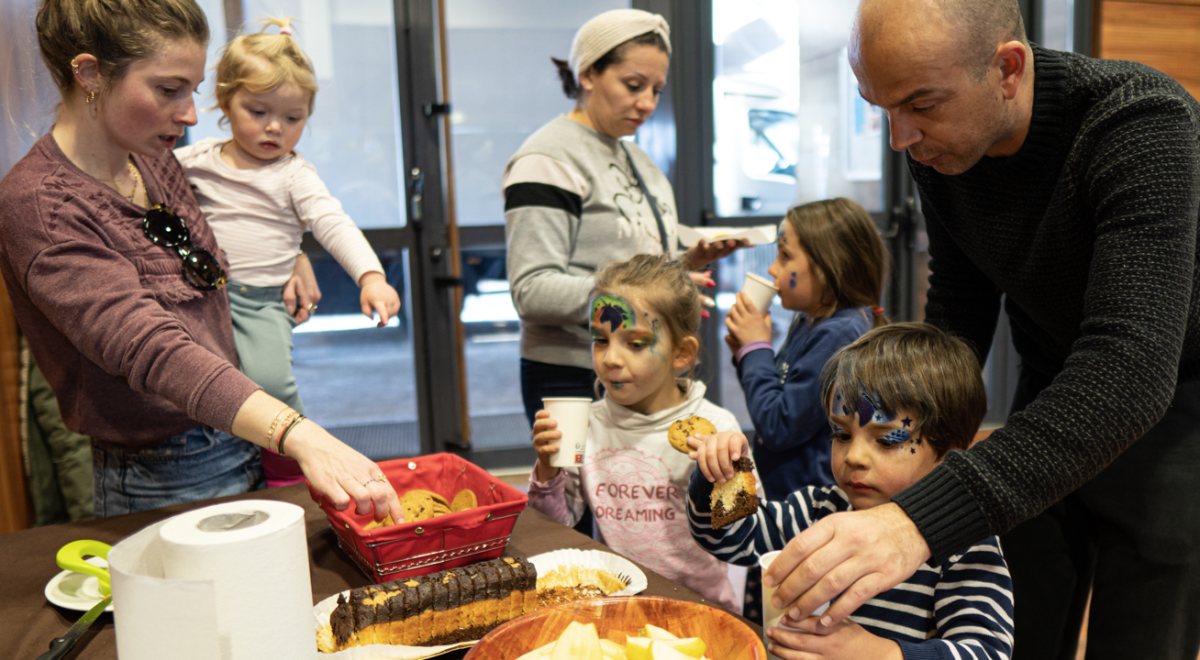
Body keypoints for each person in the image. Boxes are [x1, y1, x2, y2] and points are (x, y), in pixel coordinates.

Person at [763, 1, 1200, 659]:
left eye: (920, 105)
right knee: (1026, 605)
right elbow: (959, 309)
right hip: (1053, 379)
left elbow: (1132, 364)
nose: (900, 138)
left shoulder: (1140, 123)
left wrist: (916, 520)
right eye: (882, 108)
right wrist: (910, 434)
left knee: (1143, 620)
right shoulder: (936, 145)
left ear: (1007, 69)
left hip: (1172, 398)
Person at [0, 0, 400, 520]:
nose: (190, 114)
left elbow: (213, 240)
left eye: (192, 90)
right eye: (169, 90)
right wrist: (300, 434)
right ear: (90, 73)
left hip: (241, 432)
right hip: (165, 470)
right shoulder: (41, 204)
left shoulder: (150, 154)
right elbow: (150, 345)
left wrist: (290, 252)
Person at [689, 323, 1012, 659]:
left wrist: (882, 654)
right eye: (841, 435)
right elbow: (731, 537)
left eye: (887, 440)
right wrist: (724, 474)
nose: (854, 457)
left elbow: (987, 652)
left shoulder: (965, 545)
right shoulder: (819, 510)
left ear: (949, 454)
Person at [176, 17, 401, 488]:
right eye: (258, 111)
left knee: (273, 387)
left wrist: (370, 276)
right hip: (202, 297)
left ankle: (287, 473)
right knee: (198, 381)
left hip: (259, 302)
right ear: (224, 101)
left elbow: (331, 221)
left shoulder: (294, 174)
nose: (275, 127)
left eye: (293, 118)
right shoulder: (195, 162)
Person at [504, 8, 743, 429]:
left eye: (656, 89)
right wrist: (637, 304)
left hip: (643, 365)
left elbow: (627, 262)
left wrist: (681, 267)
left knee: (634, 491)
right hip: (572, 372)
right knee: (571, 494)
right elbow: (532, 290)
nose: (647, 103)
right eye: (633, 85)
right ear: (588, 73)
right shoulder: (547, 158)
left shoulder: (637, 158)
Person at [527, 255, 745, 612]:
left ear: (681, 353)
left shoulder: (718, 428)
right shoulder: (586, 424)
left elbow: (745, 539)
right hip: (617, 607)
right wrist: (548, 468)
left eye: (636, 343)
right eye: (600, 339)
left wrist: (726, 476)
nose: (610, 358)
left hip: (702, 610)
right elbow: (556, 529)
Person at [725, 197, 887, 501]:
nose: (773, 269)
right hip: (786, 489)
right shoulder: (811, 320)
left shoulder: (838, 334)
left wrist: (756, 348)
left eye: (785, 256)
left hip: (807, 502)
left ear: (829, 266)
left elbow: (777, 425)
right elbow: (781, 392)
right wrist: (746, 354)